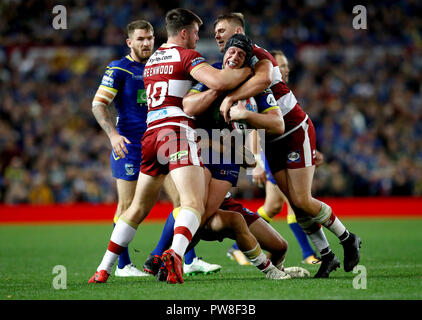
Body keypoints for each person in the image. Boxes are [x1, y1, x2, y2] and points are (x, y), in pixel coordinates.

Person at [88, 8, 251, 285]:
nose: (199, 39)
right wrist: (250, 70)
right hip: (175, 133)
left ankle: (103, 268)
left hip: (150, 137)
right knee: (192, 204)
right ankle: (175, 255)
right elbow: (220, 80)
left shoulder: (152, 61)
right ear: (185, 33)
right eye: (197, 33)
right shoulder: (186, 56)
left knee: (136, 209)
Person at [144, 34, 309, 281]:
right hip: (206, 160)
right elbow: (189, 108)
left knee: (281, 246)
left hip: (228, 168)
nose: (233, 56)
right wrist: (219, 90)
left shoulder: (258, 89)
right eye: (230, 52)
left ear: (247, 62)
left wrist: (246, 116)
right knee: (203, 212)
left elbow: (277, 124)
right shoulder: (212, 75)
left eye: (240, 55)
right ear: (224, 55)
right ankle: (163, 257)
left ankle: (277, 269)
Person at [215, 13, 361, 278]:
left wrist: (231, 100)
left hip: (293, 129)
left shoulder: (258, 56)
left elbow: (260, 83)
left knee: (302, 199)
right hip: (272, 138)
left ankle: (348, 238)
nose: (216, 35)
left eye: (221, 30)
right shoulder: (230, 65)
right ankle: (326, 256)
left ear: (238, 30)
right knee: (295, 203)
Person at [245, 50, 322, 266]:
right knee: (293, 201)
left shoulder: (281, 91)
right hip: (271, 153)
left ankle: (238, 247)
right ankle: (308, 252)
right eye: (281, 65)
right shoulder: (262, 88)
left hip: (283, 148)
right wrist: (258, 163)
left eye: (286, 65)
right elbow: (254, 129)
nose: (285, 69)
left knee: (275, 205)